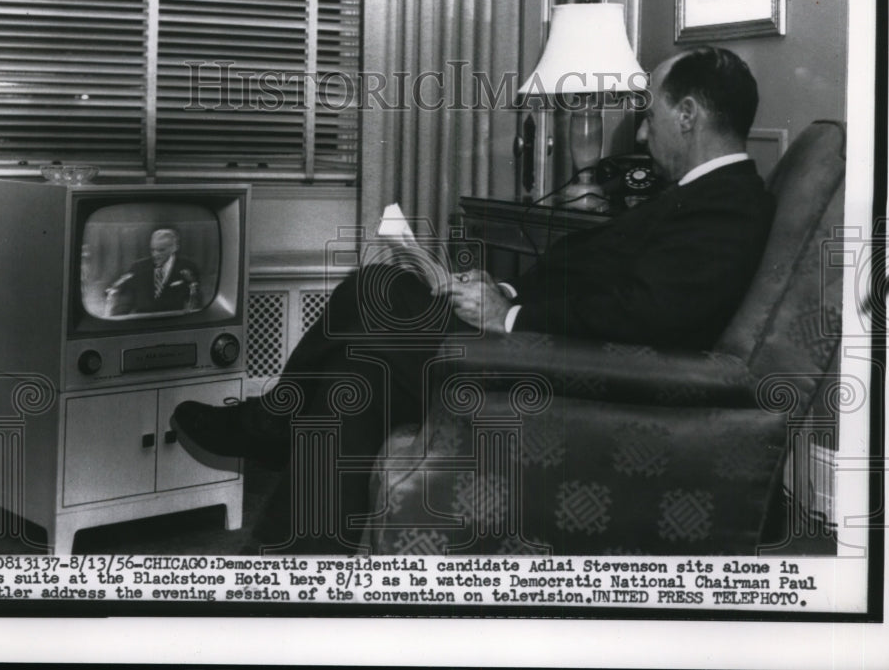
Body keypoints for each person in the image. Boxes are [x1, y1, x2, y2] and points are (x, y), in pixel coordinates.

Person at [170, 46, 774, 537]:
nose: (641, 133)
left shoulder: (726, 207)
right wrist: (501, 289)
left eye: (650, 114)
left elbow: (649, 316)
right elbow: (617, 287)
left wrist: (510, 317)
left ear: (689, 115)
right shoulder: (700, 197)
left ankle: (271, 425)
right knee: (352, 382)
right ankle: (302, 566)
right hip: (534, 340)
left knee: (375, 287)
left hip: (545, 367)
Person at [106, 228, 201, 314]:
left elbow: (195, 298)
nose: (155, 254)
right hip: (142, 322)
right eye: (153, 250)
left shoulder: (187, 267)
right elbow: (125, 300)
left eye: (161, 250)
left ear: (174, 248)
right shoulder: (138, 267)